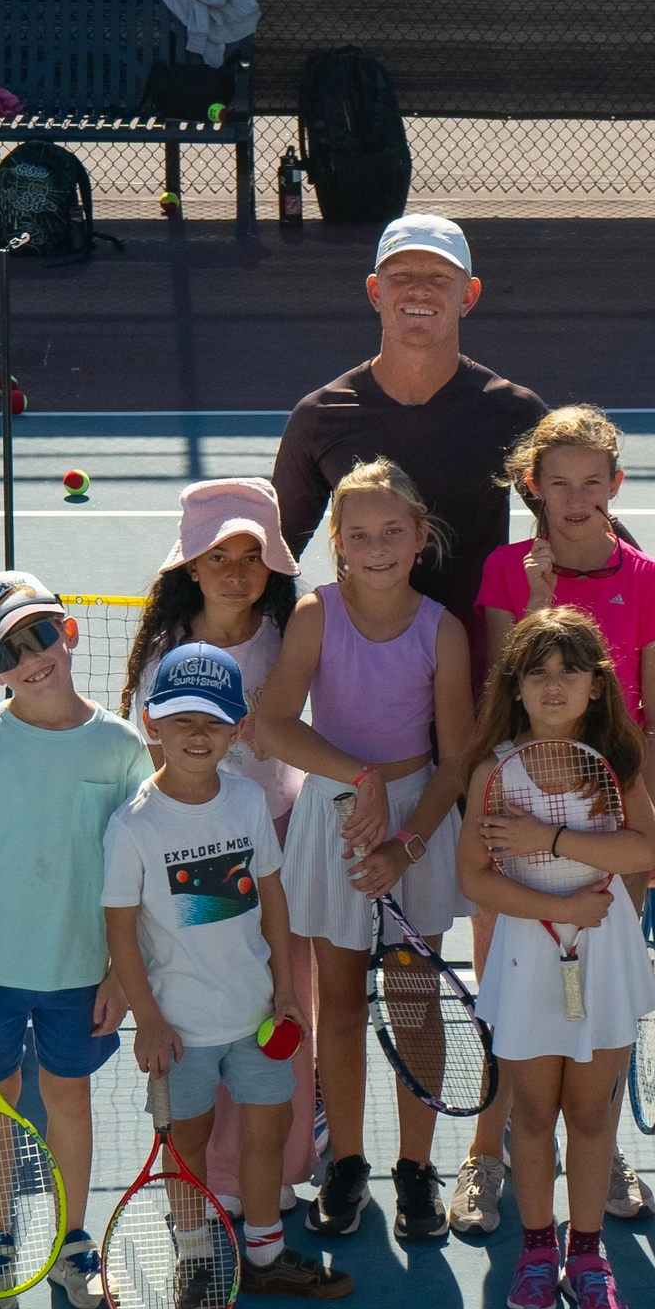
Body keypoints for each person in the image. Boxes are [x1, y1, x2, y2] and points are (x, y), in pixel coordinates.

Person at [448, 404, 655, 1233]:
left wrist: (634, 830)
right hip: (518, 825)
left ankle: (601, 1150)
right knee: (510, 1004)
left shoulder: (651, 580)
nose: (577, 499)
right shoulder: (508, 571)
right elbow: (504, 698)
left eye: (593, 483)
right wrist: (543, 595)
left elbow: (654, 720)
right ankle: (487, 1155)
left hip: (612, 823)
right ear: (533, 490)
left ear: (615, 486)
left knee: (596, 1020)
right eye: (560, 485)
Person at [257, 458, 475, 1241]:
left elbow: (455, 760)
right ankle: (347, 1164)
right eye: (358, 535)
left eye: (392, 531)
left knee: (415, 1002)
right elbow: (274, 723)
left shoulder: (441, 631)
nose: (376, 546)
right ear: (338, 546)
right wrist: (359, 778)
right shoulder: (316, 616)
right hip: (332, 817)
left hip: (414, 828)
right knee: (339, 1004)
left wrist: (407, 848)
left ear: (419, 536)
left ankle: (415, 1168)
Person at [0, 572, 150, 1309]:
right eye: (7, 652)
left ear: (70, 632)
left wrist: (122, 975)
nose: (32, 657)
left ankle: (69, 1242)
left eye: (41, 634)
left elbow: (137, 875)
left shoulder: (123, 749)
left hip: (81, 972)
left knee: (67, 1098)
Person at [103, 643, 350, 1300]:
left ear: (238, 729)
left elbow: (270, 894)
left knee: (266, 1136)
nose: (197, 735)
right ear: (151, 722)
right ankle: (193, 1259)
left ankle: (266, 1254)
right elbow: (121, 931)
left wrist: (287, 993)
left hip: (257, 1018)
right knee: (187, 1149)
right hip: (178, 1032)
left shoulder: (245, 803)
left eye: (214, 721)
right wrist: (147, 1018)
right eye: (181, 720)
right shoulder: (132, 827)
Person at [117, 478, 319, 1219]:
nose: (237, 571)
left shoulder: (293, 634)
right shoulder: (166, 655)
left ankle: (278, 1165)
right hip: (199, 870)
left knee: (279, 1011)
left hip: (282, 853)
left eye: (253, 554)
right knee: (216, 1019)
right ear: (190, 567)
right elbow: (153, 775)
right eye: (217, 554)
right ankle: (216, 1178)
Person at [458, 608, 655, 1309]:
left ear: (596, 688)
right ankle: (538, 1250)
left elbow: (642, 852)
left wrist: (546, 837)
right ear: (514, 688)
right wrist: (558, 909)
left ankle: (587, 1252)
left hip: (602, 960)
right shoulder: (493, 770)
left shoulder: (614, 766)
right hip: (524, 961)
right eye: (537, 674)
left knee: (589, 1114)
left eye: (569, 672)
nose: (553, 686)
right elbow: (475, 880)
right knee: (536, 1114)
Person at [271, 214, 548, 689]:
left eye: (439, 278)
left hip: (479, 679)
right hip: (361, 684)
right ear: (376, 292)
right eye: (402, 277)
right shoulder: (319, 417)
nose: (419, 291)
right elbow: (273, 557)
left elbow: (580, 526)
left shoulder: (514, 414)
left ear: (468, 296)